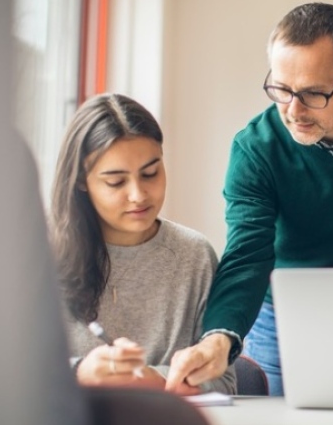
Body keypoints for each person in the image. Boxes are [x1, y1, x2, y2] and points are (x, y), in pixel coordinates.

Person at [165, 2, 333, 396]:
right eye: (280, 89)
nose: (293, 111)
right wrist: (217, 338)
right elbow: (247, 253)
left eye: (312, 94)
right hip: (284, 315)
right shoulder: (255, 149)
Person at [50, 93, 236, 395]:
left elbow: (225, 381)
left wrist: (154, 379)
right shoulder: (42, 256)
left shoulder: (194, 256)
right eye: (116, 182)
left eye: (150, 173)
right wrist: (78, 371)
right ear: (82, 181)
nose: (138, 195)